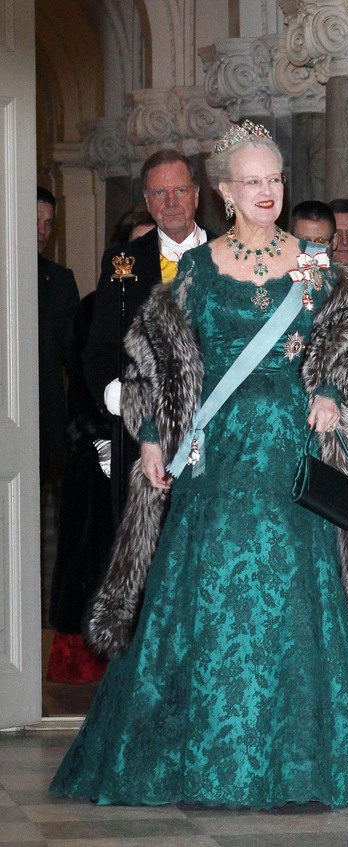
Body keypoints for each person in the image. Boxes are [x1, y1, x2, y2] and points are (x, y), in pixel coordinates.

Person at [50, 120, 348, 808]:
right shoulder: (199, 269)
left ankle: (301, 761)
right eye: (253, 181)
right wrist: (152, 436)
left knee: (298, 604)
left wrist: (332, 388)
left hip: (297, 459)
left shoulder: (309, 261)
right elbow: (153, 358)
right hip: (219, 464)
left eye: (275, 179)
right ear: (225, 191)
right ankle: (206, 757)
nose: (268, 191)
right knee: (214, 604)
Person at [47, 205, 154, 685]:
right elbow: (85, 377)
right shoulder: (95, 305)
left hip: (156, 448)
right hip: (102, 452)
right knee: (99, 556)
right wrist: (100, 443)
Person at [83, 150, 212, 524]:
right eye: (159, 193)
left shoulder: (229, 253)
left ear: (197, 195)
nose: (170, 202)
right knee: (146, 551)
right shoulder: (123, 260)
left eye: (179, 191)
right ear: (146, 201)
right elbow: (100, 348)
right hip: (146, 432)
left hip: (215, 426)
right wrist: (119, 396)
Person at [36, 186, 80, 626]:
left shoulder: (59, 280)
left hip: (50, 424)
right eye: (34, 221)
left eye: (49, 224)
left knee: (49, 532)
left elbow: (75, 358)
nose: (42, 232)